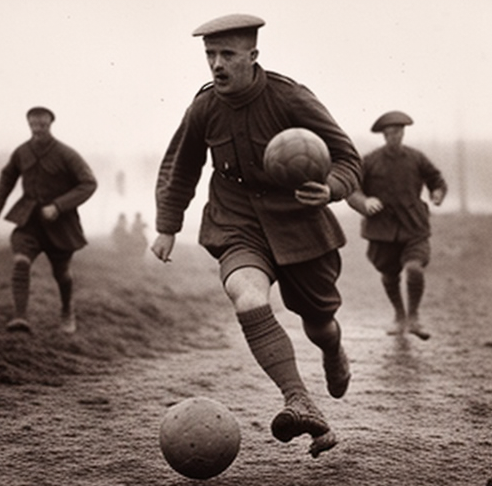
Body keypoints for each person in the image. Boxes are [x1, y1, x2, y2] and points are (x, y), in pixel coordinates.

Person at [151, 14, 362, 457]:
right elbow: (181, 166)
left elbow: (347, 158)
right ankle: (299, 399)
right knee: (247, 296)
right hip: (236, 224)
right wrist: (168, 225)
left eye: (227, 54)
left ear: (253, 56)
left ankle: (334, 351)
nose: (217, 64)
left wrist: (331, 188)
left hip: (301, 225)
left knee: (320, 324)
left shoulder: (291, 98)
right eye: (210, 55)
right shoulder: (204, 108)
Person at [0, 106, 97, 334]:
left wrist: (59, 206)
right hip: (28, 221)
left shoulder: (66, 154)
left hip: (61, 226)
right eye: (33, 125)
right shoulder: (21, 152)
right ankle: (20, 318)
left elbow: (89, 183)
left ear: (50, 125)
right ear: (29, 125)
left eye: (42, 125)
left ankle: (68, 311)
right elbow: (7, 178)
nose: (38, 129)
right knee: (20, 260)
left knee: (62, 274)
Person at [346, 110, 447, 340]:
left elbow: (436, 180)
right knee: (390, 275)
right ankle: (399, 315)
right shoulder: (370, 161)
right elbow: (352, 188)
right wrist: (365, 202)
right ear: (384, 135)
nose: (394, 137)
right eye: (390, 133)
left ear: (403, 133)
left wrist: (438, 193)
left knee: (414, 268)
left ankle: (413, 317)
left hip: (414, 227)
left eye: (398, 132)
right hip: (382, 230)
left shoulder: (416, 158)